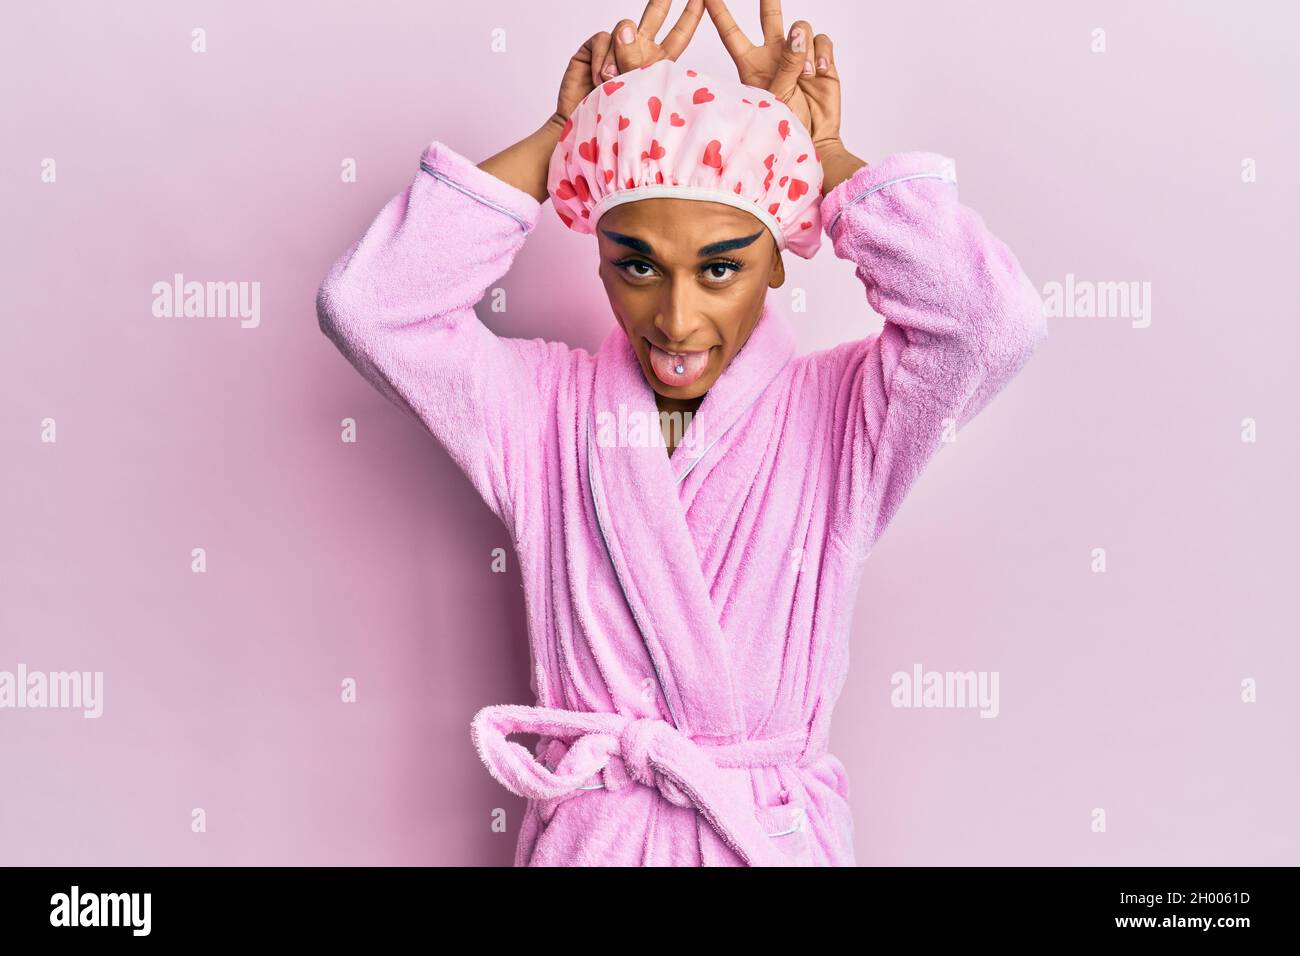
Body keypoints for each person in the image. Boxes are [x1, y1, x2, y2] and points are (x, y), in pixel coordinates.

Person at [315, 0, 1048, 866]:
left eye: (722, 267)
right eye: (637, 265)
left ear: (779, 253)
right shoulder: (545, 413)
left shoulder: (844, 419)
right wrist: (563, 136)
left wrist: (826, 159)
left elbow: (986, 322)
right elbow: (371, 306)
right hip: (599, 841)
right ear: (599, 254)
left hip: (763, 839)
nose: (675, 316)